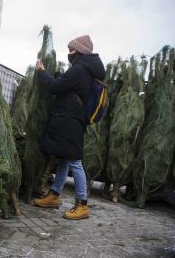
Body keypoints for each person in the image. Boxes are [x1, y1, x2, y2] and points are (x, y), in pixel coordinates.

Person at [33, 35, 106, 220]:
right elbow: (67, 87)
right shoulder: (85, 70)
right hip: (72, 120)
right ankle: (54, 196)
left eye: (71, 49)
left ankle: (82, 205)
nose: (69, 52)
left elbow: (54, 87)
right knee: (65, 159)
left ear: (79, 51)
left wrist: (42, 71)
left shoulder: (80, 69)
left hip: (70, 122)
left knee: (74, 161)